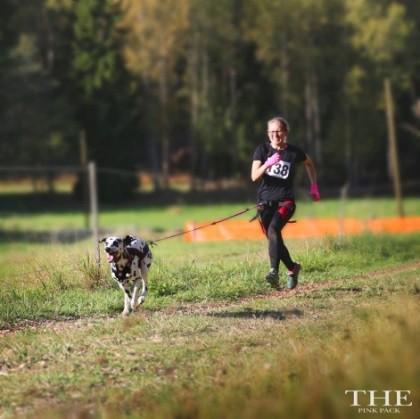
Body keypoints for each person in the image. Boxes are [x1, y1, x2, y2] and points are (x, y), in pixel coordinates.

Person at [251, 116, 320, 289]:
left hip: (285, 202)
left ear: (285, 132)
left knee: (273, 230)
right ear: (268, 134)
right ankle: (292, 267)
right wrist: (267, 163)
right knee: (273, 238)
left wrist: (314, 186)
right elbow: (254, 176)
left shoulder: (294, 152)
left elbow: (309, 164)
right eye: (272, 132)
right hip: (265, 203)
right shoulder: (262, 150)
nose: (275, 135)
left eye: (279, 131)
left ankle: (273, 272)